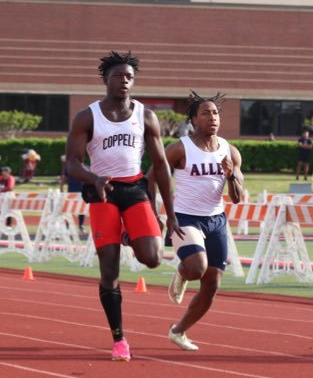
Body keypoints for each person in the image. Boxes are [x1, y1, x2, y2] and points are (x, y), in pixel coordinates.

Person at [65, 51, 183, 361]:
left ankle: (130, 234)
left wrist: (170, 215)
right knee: (109, 270)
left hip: (133, 189)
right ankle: (119, 339)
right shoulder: (87, 116)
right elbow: (72, 163)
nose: (124, 81)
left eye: (129, 76)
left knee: (154, 258)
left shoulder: (145, 116)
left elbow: (160, 165)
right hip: (102, 192)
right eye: (118, 76)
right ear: (106, 79)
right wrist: (94, 177)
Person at [152, 91, 243, 351]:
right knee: (196, 268)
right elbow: (152, 175)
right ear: (193, 120)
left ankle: (179, 331)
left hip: (216, 220)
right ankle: (182, 273)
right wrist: (158, 212)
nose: (212, 117)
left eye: (215, 113)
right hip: (185, 217)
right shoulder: (180, 148)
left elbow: (237, 197)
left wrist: (231, 177)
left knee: (212, 285)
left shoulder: (230, 151)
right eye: (205, 113)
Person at [60, 154, 86, 234]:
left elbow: (64, 178)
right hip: (74, 192)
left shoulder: (72, 167)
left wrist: (61, 187)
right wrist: (61, 187)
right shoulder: (83, 167)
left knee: (78, 210)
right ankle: (72, 227)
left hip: (78, 191)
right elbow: (64, 178)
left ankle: (77, 227)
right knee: (73, 210)